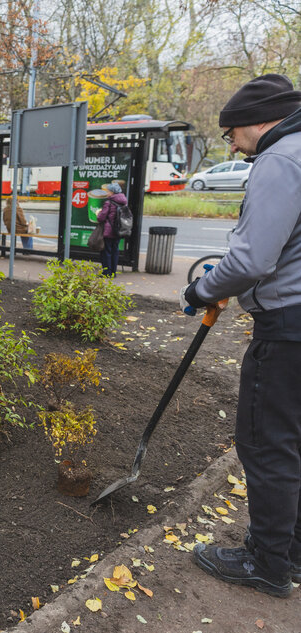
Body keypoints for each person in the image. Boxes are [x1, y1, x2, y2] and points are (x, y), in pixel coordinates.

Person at [180, 73, 301, 598]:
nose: (231, 145)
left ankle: (267, 563)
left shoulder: (279, 159)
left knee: (266, 443)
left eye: (231, 133)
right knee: (293, 443)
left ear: (257, 121)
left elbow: (251, 258)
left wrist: (204, 289)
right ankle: (291, 551)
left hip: (287, 329)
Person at [95, 182, 127, 277]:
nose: (107, 193)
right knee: (115, 251)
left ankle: (106, 273)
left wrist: (98, 213)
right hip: (118, 230)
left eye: (108, 191)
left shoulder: (109, 202)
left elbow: (101, 217)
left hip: (108, 231)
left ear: (112, 192)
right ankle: (113, 273)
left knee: (106, 252)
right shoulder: (124, 202)